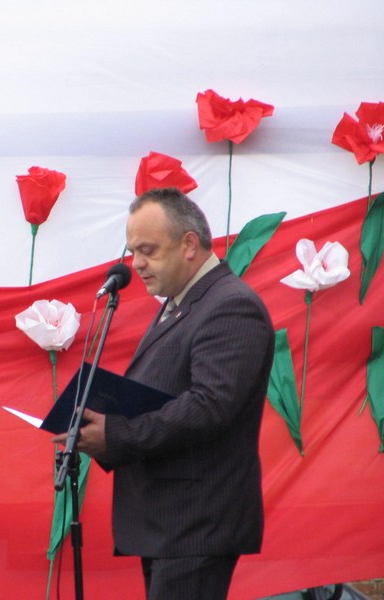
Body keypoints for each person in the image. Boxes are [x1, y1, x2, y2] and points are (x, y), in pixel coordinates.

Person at [54, 187, 275, 599]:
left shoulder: (230, 306)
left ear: (189, 244)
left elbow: (210, 407)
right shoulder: (180, 303)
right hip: (171, 523)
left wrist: (116, 434)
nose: (136, 263)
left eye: (148, 250)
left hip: (196, 522)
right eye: (133, 252)